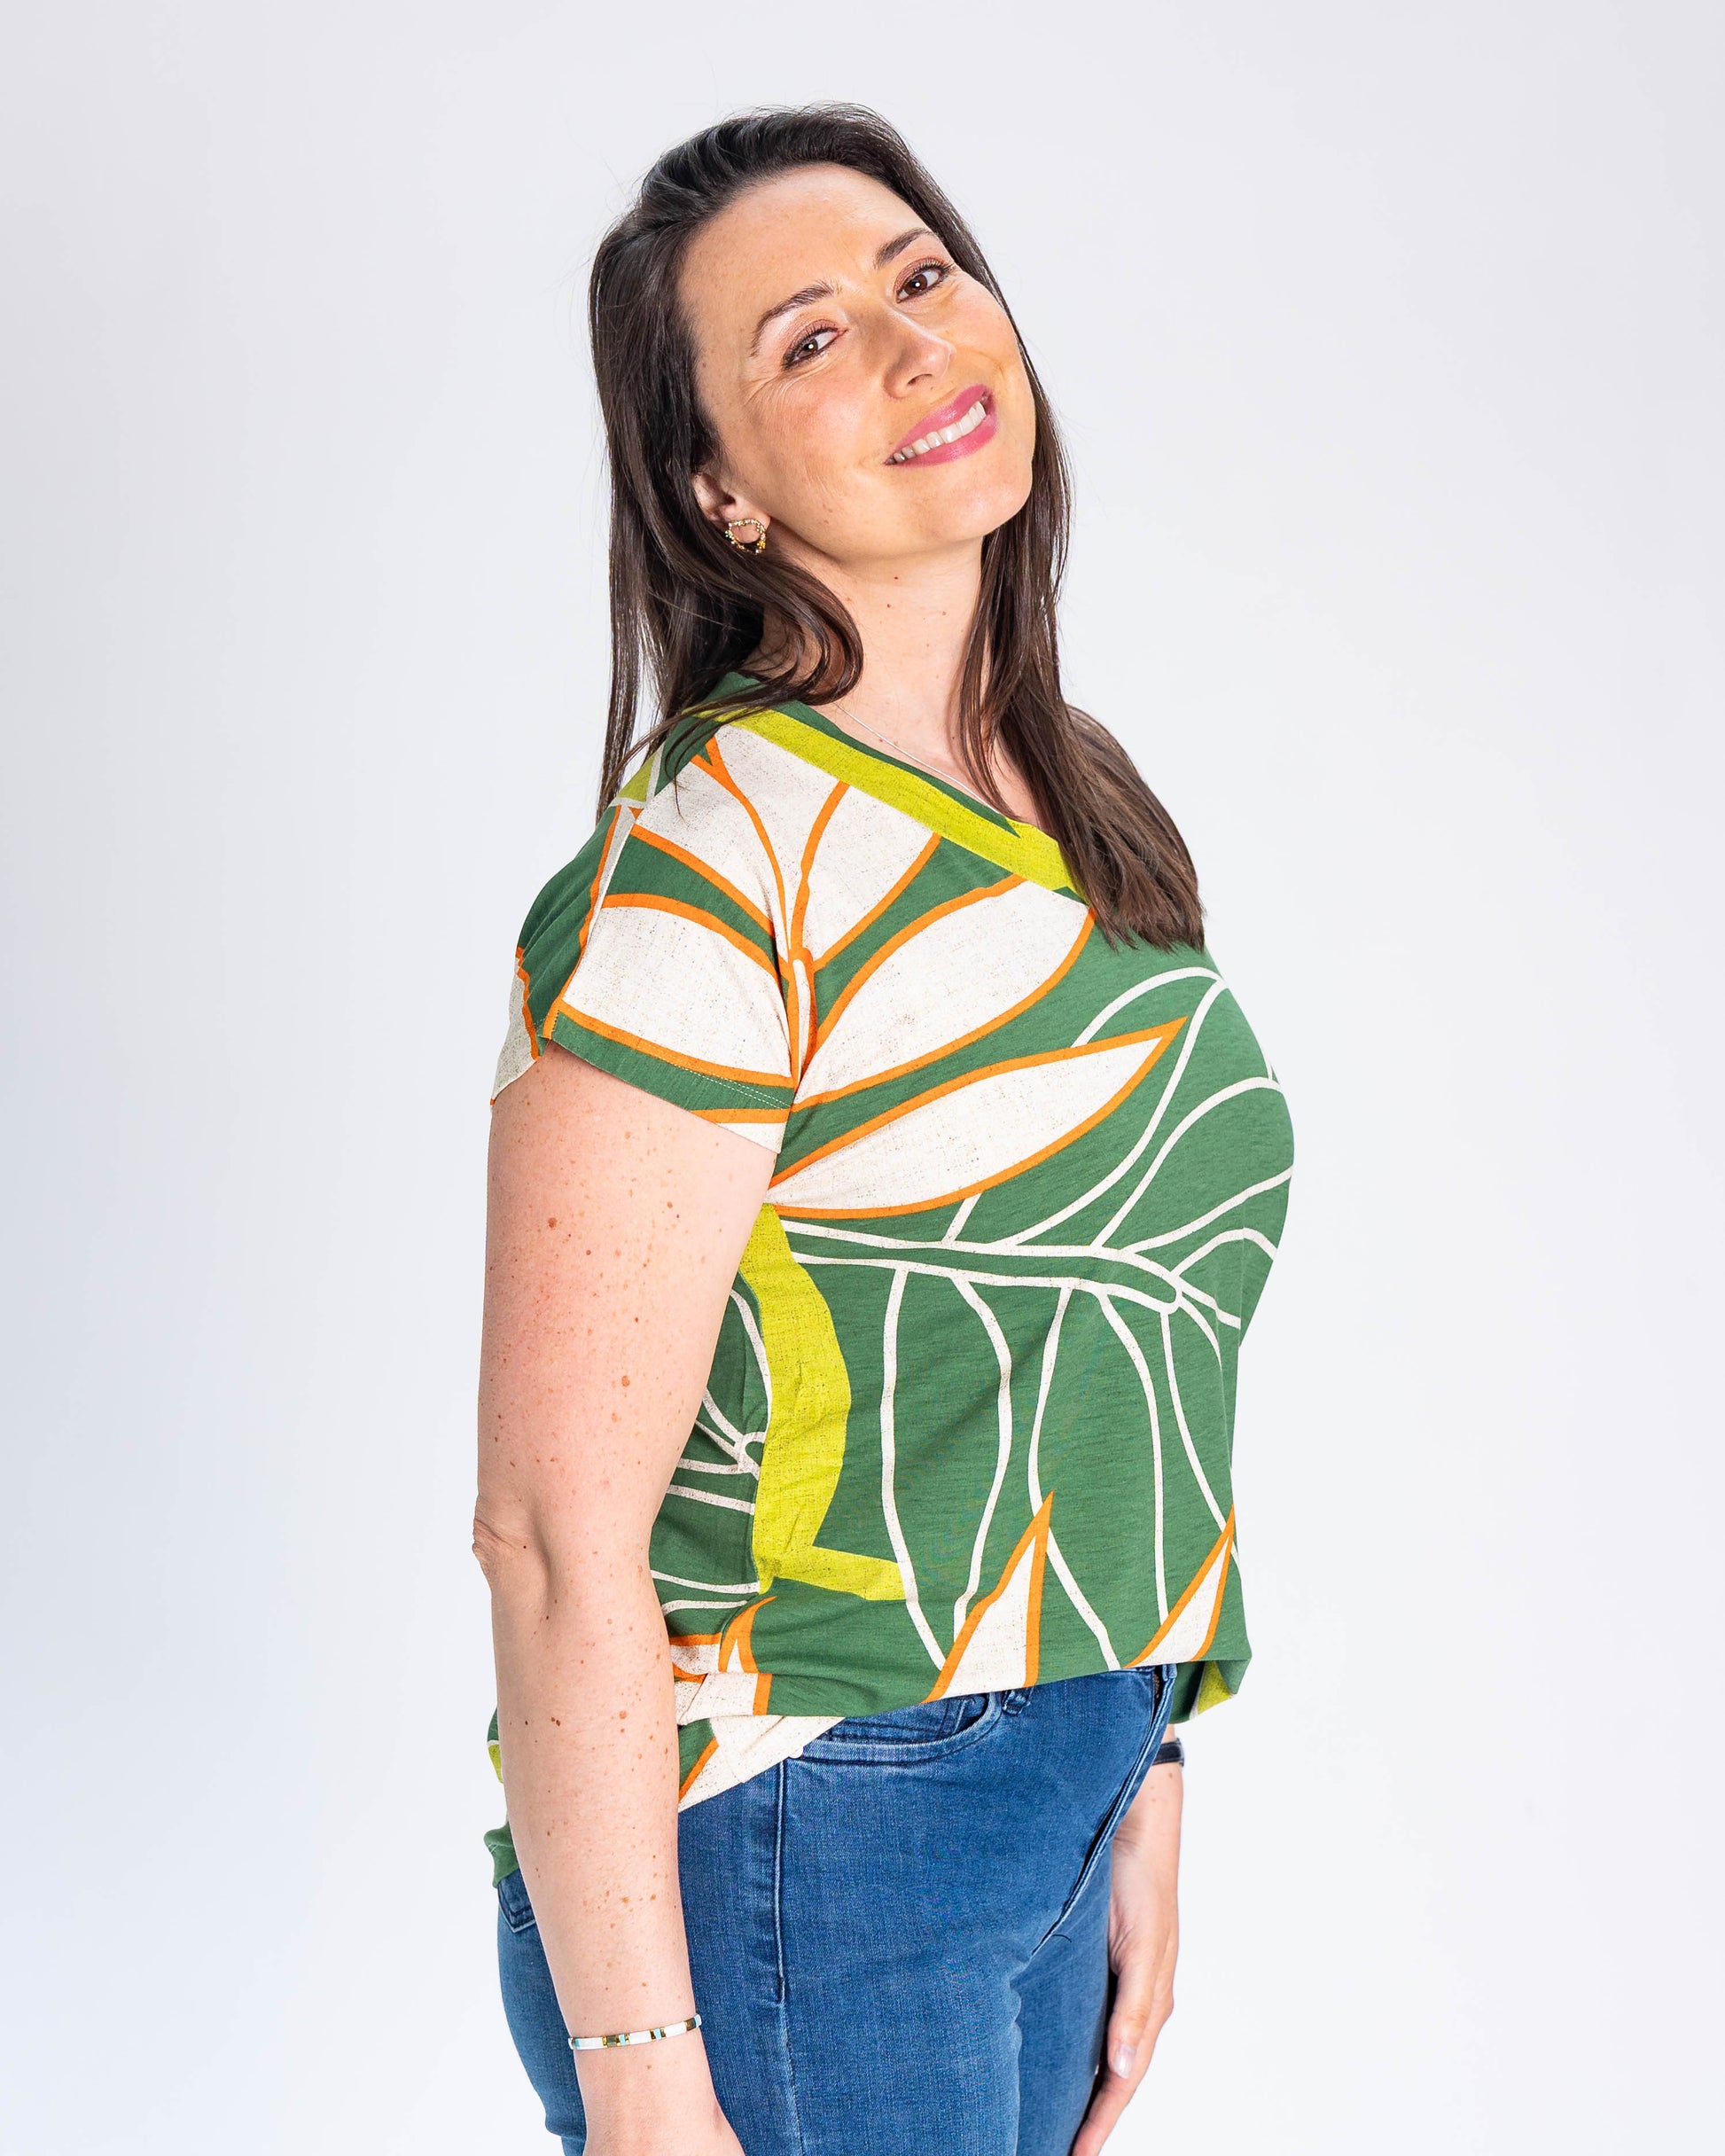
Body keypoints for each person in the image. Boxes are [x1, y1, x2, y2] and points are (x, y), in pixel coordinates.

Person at [472, 105, 1295, 2156]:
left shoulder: (1077, 808)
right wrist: (644, 2083)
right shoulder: (706, 875)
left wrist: (1143, 1760)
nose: (916, 341)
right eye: (811, 338)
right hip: (808, 1834)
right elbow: (553, 1534)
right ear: (717, 491)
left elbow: (1105, 1353)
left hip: (1043, 1783)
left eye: (922, 274)